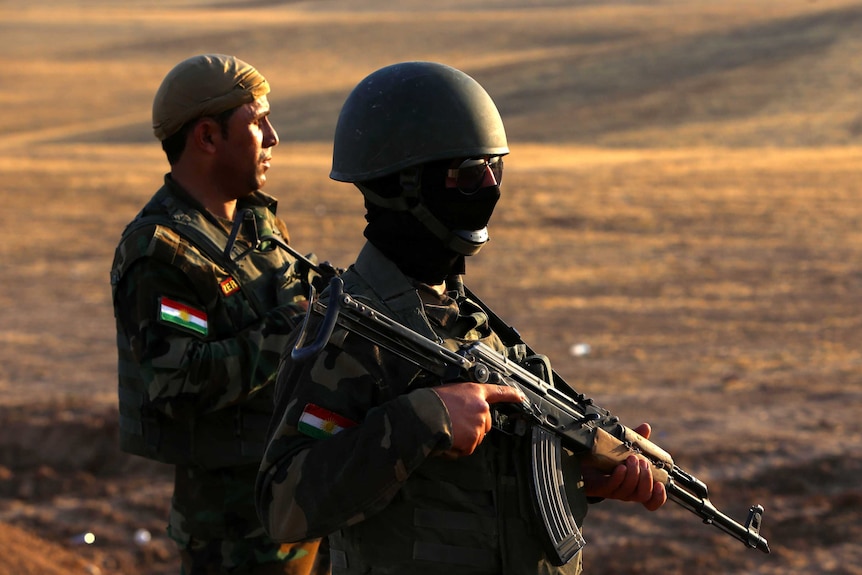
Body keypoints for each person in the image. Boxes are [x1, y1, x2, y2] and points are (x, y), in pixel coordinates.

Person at [255, 61, 666, 575]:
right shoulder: (349, 330)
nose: (490, 189)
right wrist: (423, 419)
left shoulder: (473, 323)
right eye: (470, 175)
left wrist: (583, 473)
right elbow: (284, 506)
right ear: (403, 185)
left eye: (496, 170)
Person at [110, 54, 323, 574]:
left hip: (302, 499)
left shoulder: (258, 224)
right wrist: (300, 327)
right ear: (207, 137)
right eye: (257, 122)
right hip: (235, 536)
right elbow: (181, 379)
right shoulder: (162, 251)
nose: (273, 137)